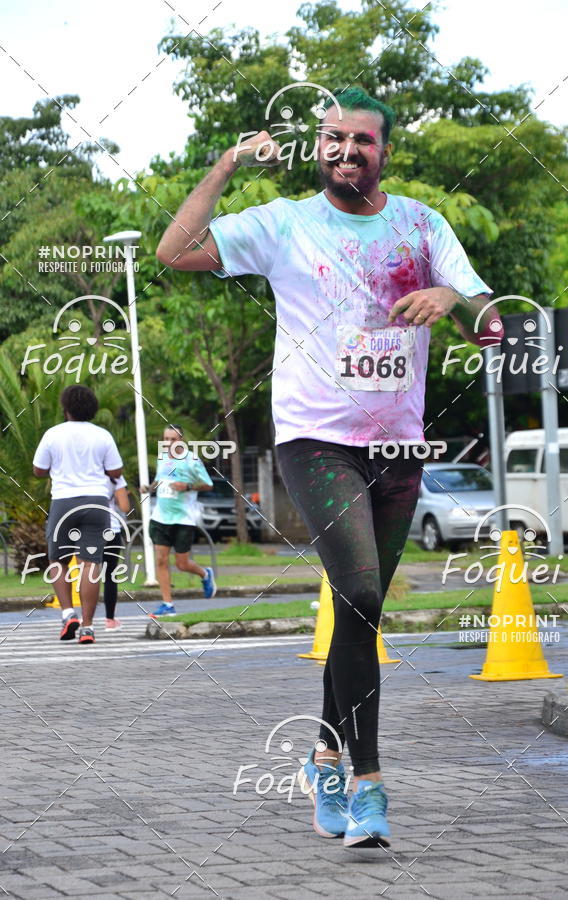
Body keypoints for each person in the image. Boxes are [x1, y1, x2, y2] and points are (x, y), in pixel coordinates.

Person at [156, 86, 503, 849]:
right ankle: (369, 785)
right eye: (333, 139)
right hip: (315, 442)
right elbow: (174, 251)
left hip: (398, 447)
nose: (347, 151)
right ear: (318, 146)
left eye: (362, 141)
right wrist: (227, 163)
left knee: (358, 611)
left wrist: (452, 296)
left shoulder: (422, 224)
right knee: (363, 590)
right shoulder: (284, 222)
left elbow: (486, 315)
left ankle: (322, 759)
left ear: (384, 151)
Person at [33, 385, 123, 644]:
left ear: (65, 408)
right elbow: (116, 472)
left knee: (58, 560)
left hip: (63, 501)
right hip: (96, 502)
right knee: (90, 564)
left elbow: (38, 470)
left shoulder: (53, 434)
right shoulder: (103, 435)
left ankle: (68, 614)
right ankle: (88, 627)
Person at [142, 424, 217, 616]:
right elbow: (160, 479)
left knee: (182, 564)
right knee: (161, 560)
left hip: (183, 518)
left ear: (181, 440)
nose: (168, 443)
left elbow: (208, 485)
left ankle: (205, 574)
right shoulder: (162, 457)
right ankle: (167, 604)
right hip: (160, 517)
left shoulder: (192, 460)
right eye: (166, 439)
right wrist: (149, 488)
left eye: (173, 439)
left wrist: (188, 486)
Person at [103, 474, 131, 630]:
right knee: (110, 575)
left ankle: (85, 619)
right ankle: (110, 620)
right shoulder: (115, 477)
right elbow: (125, 507)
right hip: (110, 528)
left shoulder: (82, 472)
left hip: (86, 529)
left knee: (86, 572)